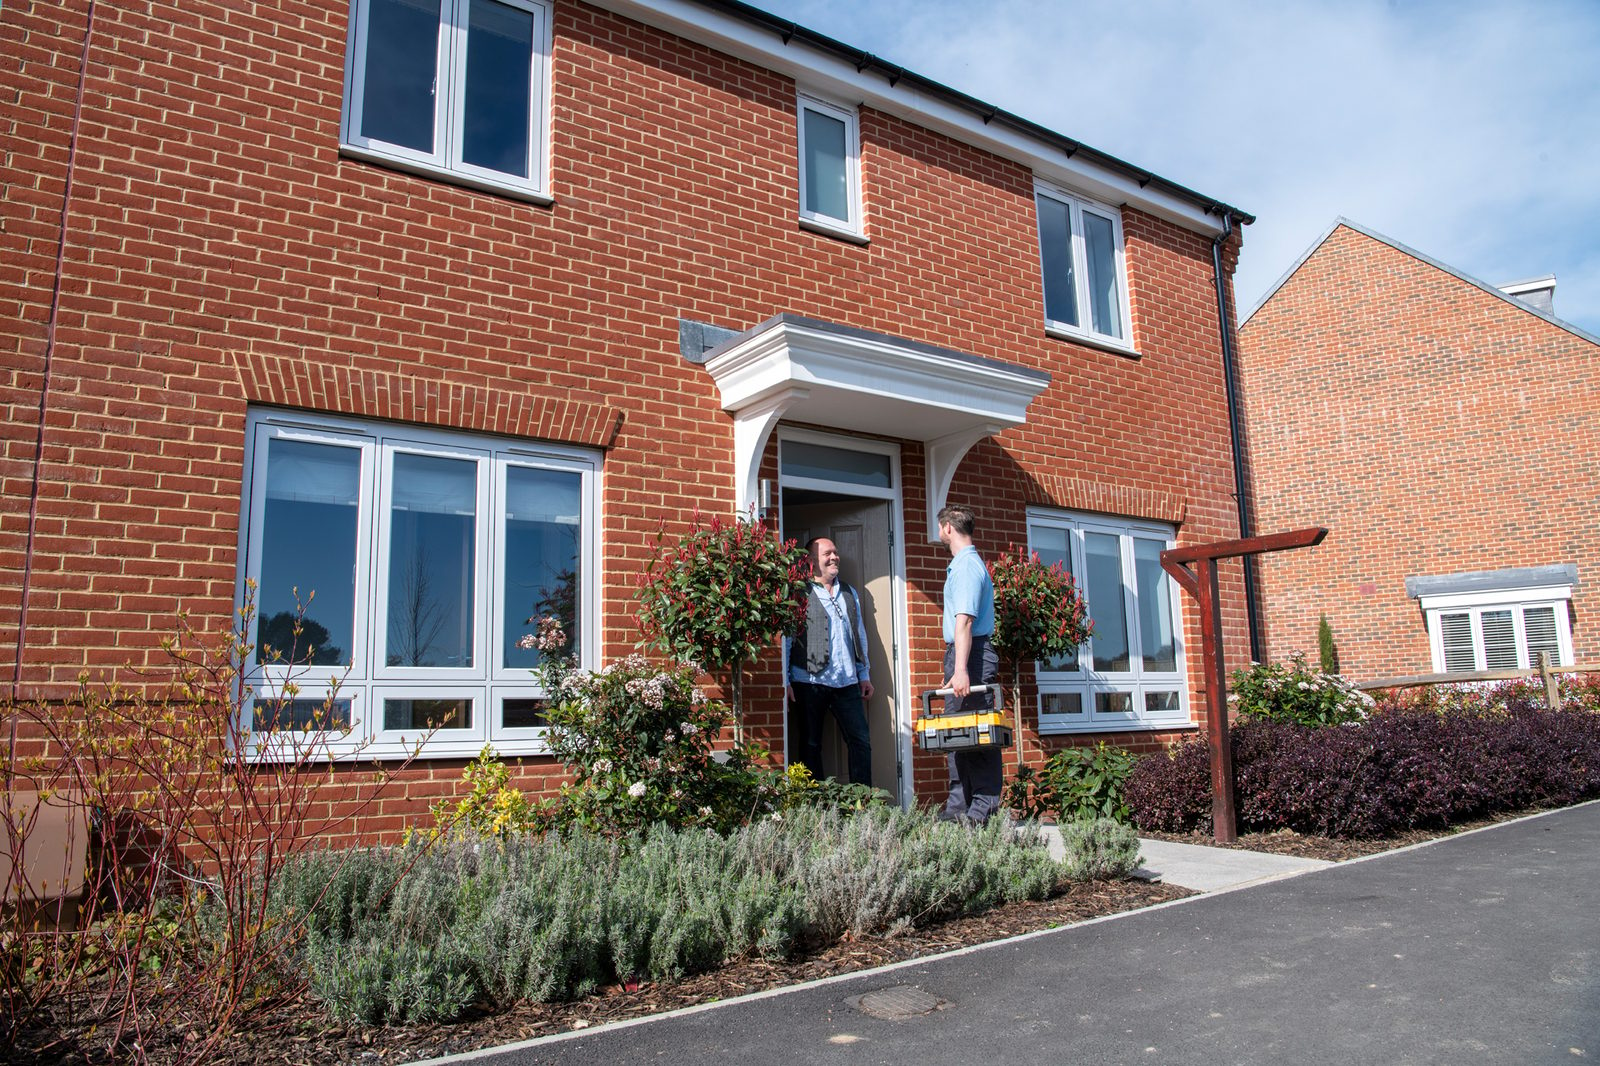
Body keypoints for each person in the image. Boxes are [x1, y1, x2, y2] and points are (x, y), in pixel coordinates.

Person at [786, 537, 874, 786]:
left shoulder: (849, 592)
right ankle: (816, 804)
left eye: (835, 552)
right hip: (809, 680)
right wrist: (785, 680)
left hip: (847, 681)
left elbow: (859, 634)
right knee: (811, 744)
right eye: (828, 553)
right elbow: (787, 639)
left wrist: (864, 673)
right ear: (812, 561)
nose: (835, 557)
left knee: (861, 741)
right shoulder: (799, 592)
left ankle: (862, 803)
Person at [935, 503, 1002, 825]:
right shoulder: (965, 565)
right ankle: (959, 809)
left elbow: (964, 622)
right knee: (958, 733)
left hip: (971, 656)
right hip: (965, 654)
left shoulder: (966, 567)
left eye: (939, 528)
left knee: (977, 732)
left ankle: (981, 810)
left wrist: (961, 670)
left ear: (948, 527)